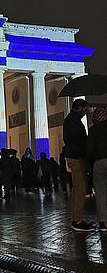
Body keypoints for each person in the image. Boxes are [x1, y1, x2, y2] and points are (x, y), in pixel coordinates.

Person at [63, 98, 94, 231]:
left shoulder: (70, 120)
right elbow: (78, 141)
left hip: (72, 156)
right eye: (85, 109)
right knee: (80, 189)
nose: (86, 112)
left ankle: (76, 217)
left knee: (76, 189)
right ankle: (77, 220)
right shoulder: (74, 121)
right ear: (80, 108)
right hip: (77, 157)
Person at [87, 107, 107, 232]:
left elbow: (90, 150)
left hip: (99, 162)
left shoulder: (93, 130)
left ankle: (103, 222)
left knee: (100, 193)